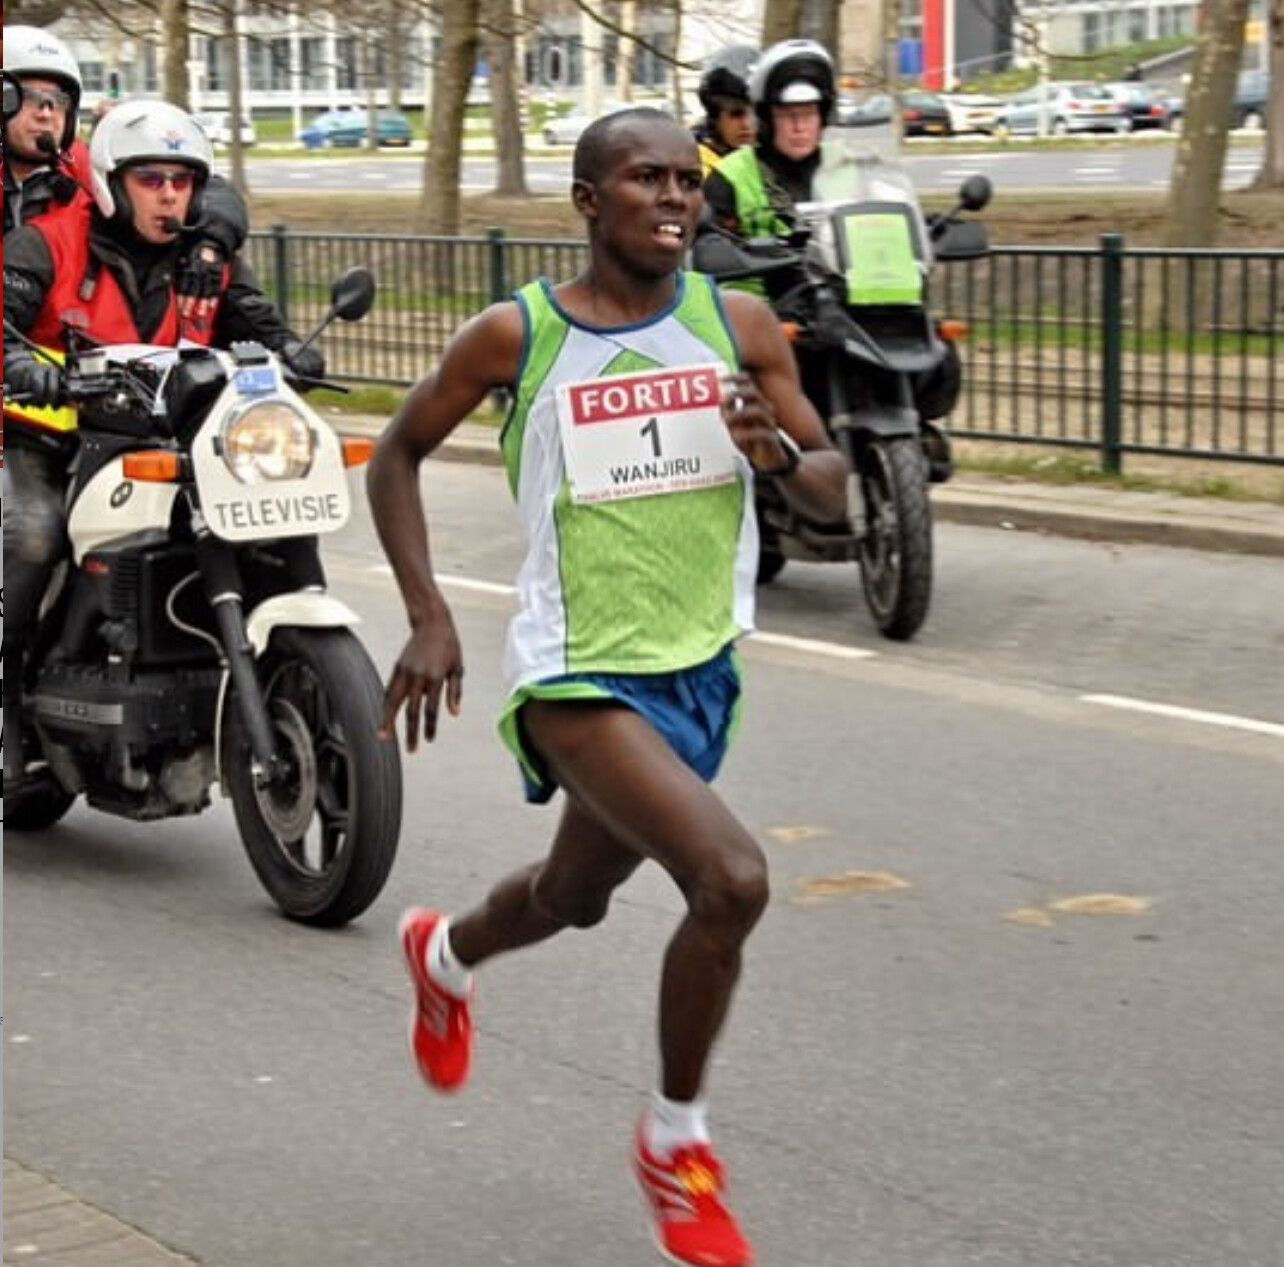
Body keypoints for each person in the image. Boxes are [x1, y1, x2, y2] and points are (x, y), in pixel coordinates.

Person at [367, 107, 846, 1267]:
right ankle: (675, 1140)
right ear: (589, 200)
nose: (676, 198)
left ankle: (444, 954)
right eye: (646, 178)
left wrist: (776, 454)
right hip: (574, 674)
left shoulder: (738, 326)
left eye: (688, 180)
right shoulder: (517, 334)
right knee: (730, 880)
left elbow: (835, 491)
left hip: (698, 672)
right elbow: (395, 454)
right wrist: (430, 614)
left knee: (571, 897)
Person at [2, 97, 323, 789]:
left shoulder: (205, 258)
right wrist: (29, 368)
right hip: (48, 436)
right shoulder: (45, 243)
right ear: (111, 183)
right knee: (32, 535)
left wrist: (294, 349)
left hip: (169, 436)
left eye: (182, 181)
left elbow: (255, 320)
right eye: (151, 179)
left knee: (261, 513)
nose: (170, 194)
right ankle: (6, 704)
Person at [703, 37, 962, 476]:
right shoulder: (734, 175)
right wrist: (719, 246)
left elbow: (886, 208)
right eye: (787, 115)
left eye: (808, 114)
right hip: (766, 308)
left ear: (823, 115)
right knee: (765, 360)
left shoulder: (852, 165)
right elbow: (708, 235)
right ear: (766, 116)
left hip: (843, 295)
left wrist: (924, 228)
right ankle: (761, 457)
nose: (799, 126)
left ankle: (912, 423)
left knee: (928, 332)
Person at [692, 44, 758, 178]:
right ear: (714, 116)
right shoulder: (697, 170)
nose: (747, 124)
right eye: (736, 114)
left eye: (756, 113)